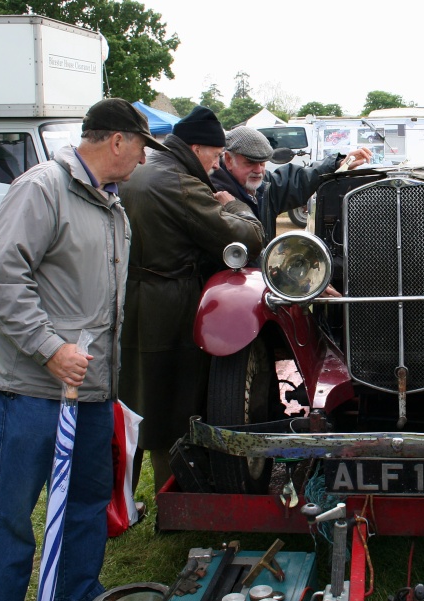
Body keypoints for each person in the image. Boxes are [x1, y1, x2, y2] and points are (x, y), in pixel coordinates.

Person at [0, 98, 163, 601]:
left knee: (84, 504)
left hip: (91, 392)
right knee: (11, 515)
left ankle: (76, 592)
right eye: (142, 146)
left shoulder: (110, 202)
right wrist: (50, 348)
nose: (144, 159)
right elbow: (1, 277)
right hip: (31, 388)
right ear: (117, 140)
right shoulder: (41, 189)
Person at [118, 106, 264, 493]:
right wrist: (232, 205)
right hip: (170, 303)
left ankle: (122, 498)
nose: (216, 165)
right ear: (197, 148)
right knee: (171, 402)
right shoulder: (181, 183)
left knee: (134, 396)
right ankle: (175, 493)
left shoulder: (143, 169)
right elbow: (247, 236)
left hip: (133, 295)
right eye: (215, 156)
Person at [211, 126, 373, 242]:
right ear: (228, 160)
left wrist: (338, 164)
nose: (259, 170)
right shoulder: (212, 194)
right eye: (251, 163)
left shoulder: (264, 186)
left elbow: (299, 180)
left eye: (263, 163)